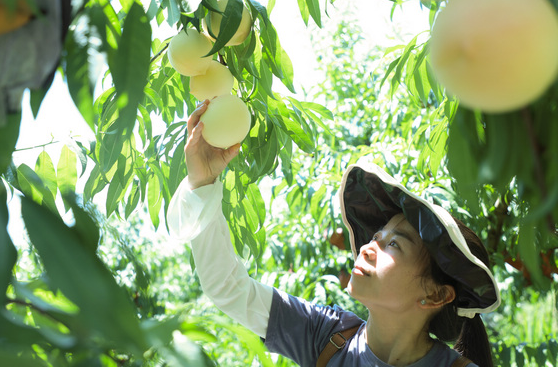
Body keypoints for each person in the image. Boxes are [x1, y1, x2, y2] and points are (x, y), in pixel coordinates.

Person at [166, 99, 501, 367]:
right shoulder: (327, 334)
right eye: (377, 237)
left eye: (395, 245)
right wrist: (203, 182)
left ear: (437, 296)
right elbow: (229, 288)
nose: (369, 247)